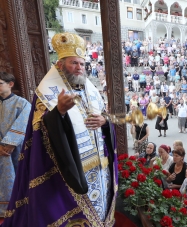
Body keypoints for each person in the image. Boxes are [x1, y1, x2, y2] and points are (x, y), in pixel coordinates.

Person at [2, 33, 117, 226]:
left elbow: (104, 117)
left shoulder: (91, 90)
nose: (79, 68)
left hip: (99, 167)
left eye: (82, 64)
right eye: (74, 63)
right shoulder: (47, 92)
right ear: (60, 65)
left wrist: (104, 121)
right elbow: (38, 131)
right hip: (67, 170)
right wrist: (60, 111)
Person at [0, 72, 31, 218]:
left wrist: (10, 143)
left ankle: (17, 209)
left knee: (17, 176)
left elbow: (24, 123)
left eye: (0, 83)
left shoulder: (22, 103)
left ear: (10, 84)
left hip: (16, 149)